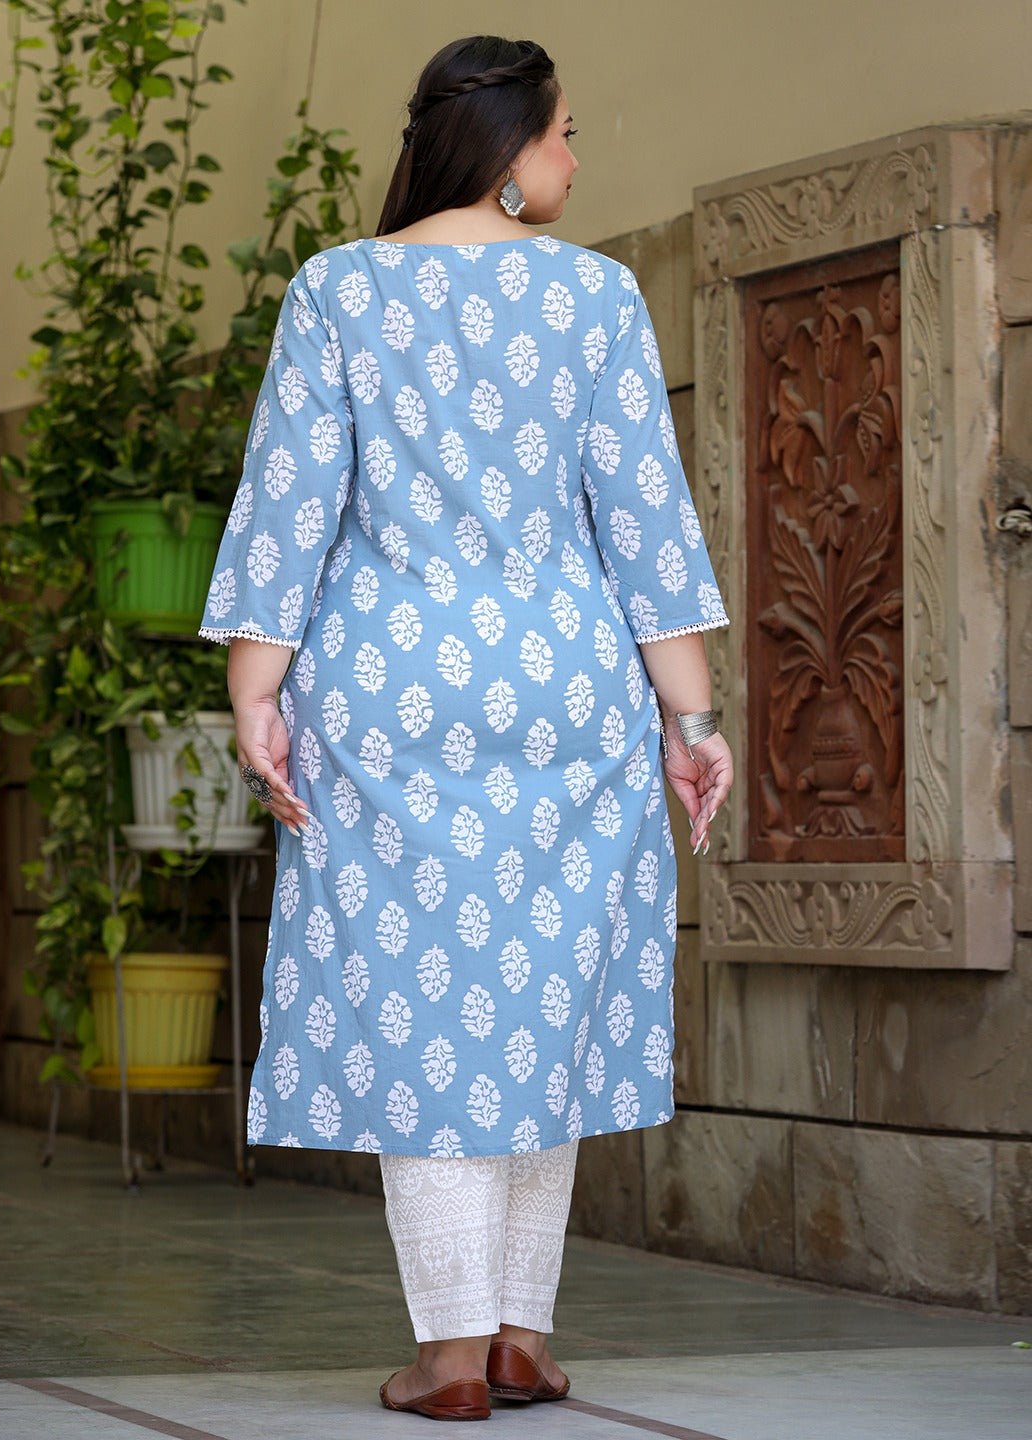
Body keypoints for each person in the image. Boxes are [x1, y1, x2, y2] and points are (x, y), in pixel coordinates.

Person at [199, 33, 733, 1423]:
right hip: (568, 689)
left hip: (386, 691)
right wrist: (692, 716)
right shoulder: (598, 297)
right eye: (563, 135)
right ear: (506, 150)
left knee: (422, 1003)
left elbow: (290, 507)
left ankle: (448, 1357)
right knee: (544, 996)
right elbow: (645, 522)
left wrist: (255, 691)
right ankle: (519, 1339)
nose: (573, 161)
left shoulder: (338, 290)